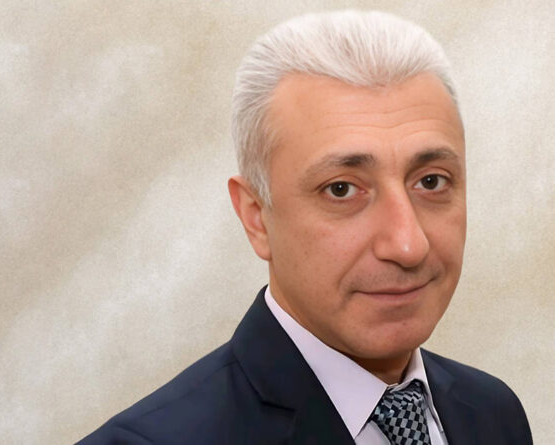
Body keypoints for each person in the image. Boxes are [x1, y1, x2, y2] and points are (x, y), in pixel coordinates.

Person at [79, 10, 532, 445]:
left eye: (431, 182)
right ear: (256, 217)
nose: (408, 244)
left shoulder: (492, 413)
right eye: (341, 189)